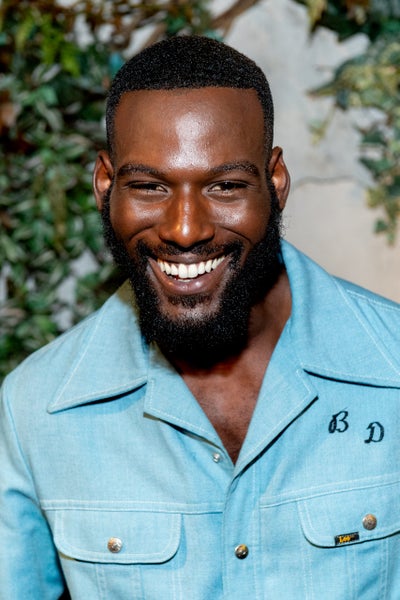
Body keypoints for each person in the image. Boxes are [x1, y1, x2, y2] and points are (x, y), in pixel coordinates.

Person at [1, 35, 400, 600]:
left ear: (275, 183)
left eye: (225, 186)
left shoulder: (393, 367)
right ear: (105, 187)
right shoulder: (35, 409)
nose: (185, 229)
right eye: (149, 187)